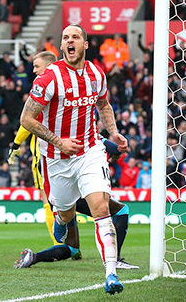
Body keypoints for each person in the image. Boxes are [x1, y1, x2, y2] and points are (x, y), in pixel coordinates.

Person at [19, 24, 127, 295]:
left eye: (75, 37)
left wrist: (114, 132)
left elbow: (103, 104)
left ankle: (111, 274)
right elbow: (26, 119)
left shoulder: (95, 73)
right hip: (57, 157)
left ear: (85, 44)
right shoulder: (49, 78)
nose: (69, 41)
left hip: (90, 150)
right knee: (65, 214)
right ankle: (61, 214)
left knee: (101, 207)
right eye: (65, 37)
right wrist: (59, 142)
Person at [13, 138, 139, 270]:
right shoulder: (84, 133)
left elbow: (41, 167)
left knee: (72, 248)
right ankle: (115, 259)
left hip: (58, 194)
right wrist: (115, 146)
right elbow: (115, 148)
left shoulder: (53, 140)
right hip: (79, 193)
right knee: (121, 210)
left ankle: (33, 257)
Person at [8, 51, 59, 243]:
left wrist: (16, 143)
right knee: (64, 200)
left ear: (48, 66)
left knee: (47, 199)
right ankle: (72, 243)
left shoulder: (42, 87)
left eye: (37, 66)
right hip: (64, 149)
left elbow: (28, 121)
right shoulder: (64, 84)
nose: (34, 71)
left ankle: (58, 245)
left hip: (44, 149)